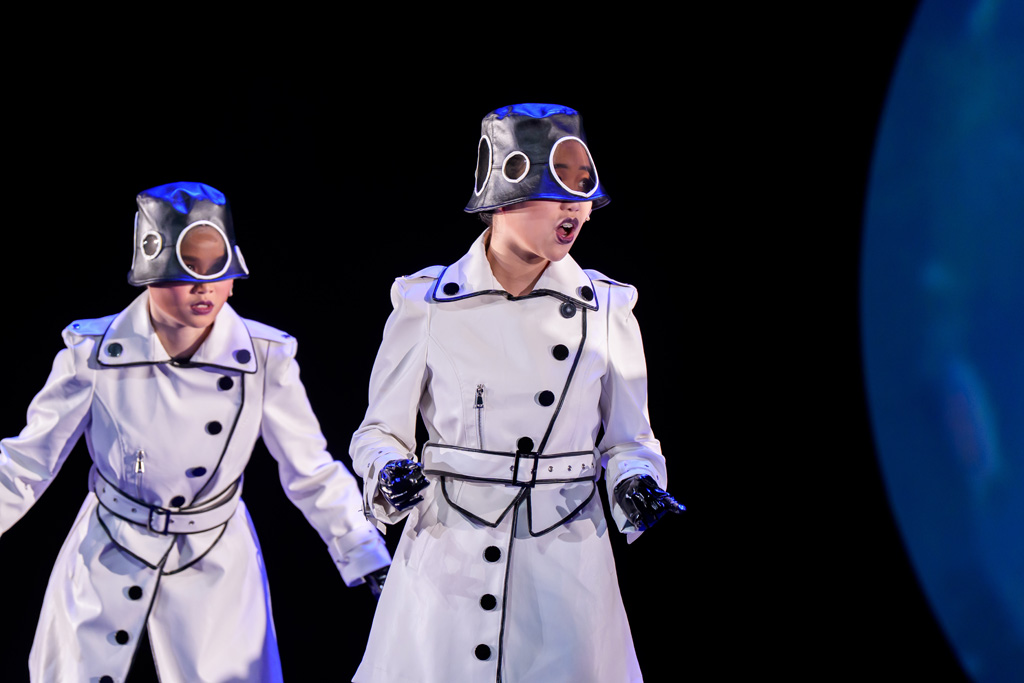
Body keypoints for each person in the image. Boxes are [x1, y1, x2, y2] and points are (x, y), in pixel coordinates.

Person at [0, 182, 391, 683]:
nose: (204, 286)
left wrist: (365, 553)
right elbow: (26, 463)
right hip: (108, 551)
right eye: (187, 269)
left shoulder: (264, 356)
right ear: (149, 272)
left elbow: (310, 468)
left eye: (216, 269)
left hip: (215, 560)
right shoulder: (93, 352)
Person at [350, 104, 684, 683]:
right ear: (504, 196)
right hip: (448, 553)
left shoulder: (608, 308)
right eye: (558, 188)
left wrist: (636, 480)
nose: (575, 207)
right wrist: (389, 470)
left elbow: (630, 440)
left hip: (565, 558)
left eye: (582, 189)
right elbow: (379, 431)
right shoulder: (426, 301)